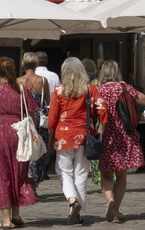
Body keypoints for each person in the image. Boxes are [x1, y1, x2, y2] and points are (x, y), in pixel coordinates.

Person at [0, 56, 38, 228]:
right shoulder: (22, 90)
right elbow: (32, 114)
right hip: (19, 133)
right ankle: (17, 215)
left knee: (1, 175)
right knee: (18, 173)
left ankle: (6, 219)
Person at [49, 57, 107, 226]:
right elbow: (102, 108)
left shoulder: (58, 91)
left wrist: (51, 140)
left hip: (63, 136)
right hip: (84, 135)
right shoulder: (89, 89)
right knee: (81, 174)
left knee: (63, 172)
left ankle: (72, 201)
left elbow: (52, 119)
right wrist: (101, 127)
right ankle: (77, 210)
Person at [94, 60, 145, 224]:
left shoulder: (98, 90)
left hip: (105, 136)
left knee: (106, 173)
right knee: (122, 175)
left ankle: (109, 198)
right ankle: (115, 209)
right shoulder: (123, 88)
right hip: (124, 136)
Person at [20, 52, 52, 188]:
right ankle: (34, 178)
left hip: (24, 117)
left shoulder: (18, 81)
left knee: (25, 148)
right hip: (39, 119)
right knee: (39, 150)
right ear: (36, 64)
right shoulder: (42, 80)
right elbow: (48, 101)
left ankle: (27, 176)